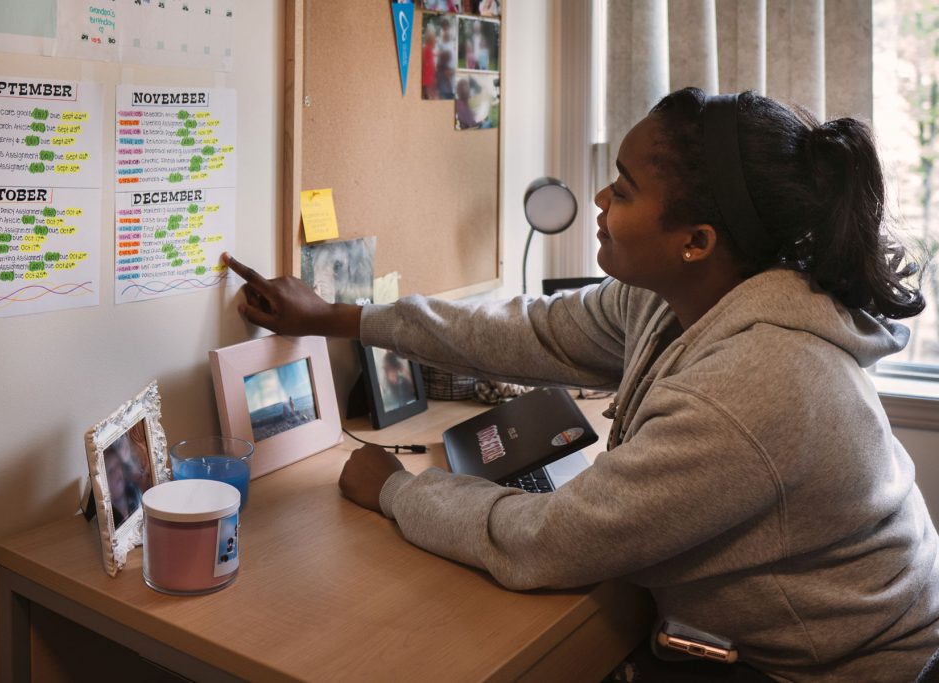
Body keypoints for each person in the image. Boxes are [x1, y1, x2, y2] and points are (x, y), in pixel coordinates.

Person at [220, 87, 939, 681]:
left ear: (697, 241)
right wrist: (339, 315)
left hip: (849, 671)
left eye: (624, 187)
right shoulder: (679, 298)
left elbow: (544, 543)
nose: (598, 195)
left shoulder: (757, 382)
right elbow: (528, 332)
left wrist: (395, 489)